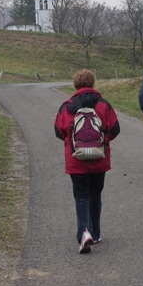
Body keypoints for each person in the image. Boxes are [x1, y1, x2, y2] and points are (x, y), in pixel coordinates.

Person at [54, 69, 121, 254]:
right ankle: (96, 234)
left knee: (81, 196)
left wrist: (73, 143)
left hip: (76, 161)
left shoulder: (67, 106)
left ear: (75, 84)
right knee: (95, 195)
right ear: (92, 83)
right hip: (99, 159)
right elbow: (115, 129)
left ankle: (85, 232)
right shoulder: (103, 105)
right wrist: (102, 142)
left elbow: (58, 131)